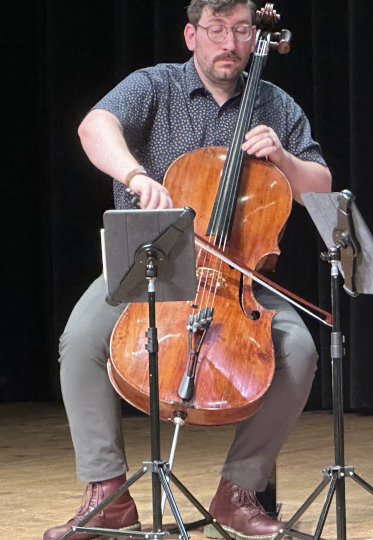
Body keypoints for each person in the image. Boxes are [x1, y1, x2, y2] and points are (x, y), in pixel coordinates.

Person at [44, 1, 331, 539]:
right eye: (216, 30)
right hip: (156, 259)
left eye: (241, 30)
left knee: (300, 352)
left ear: (254, 37)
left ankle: (238, 492)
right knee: (80, 340)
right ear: (191, 35)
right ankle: (108, 496)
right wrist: (135, 176)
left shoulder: (275, 103)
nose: (229, 43)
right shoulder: (155, 86)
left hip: (238, 274)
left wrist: (285, 161)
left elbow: (321, 186)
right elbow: (94, 126)